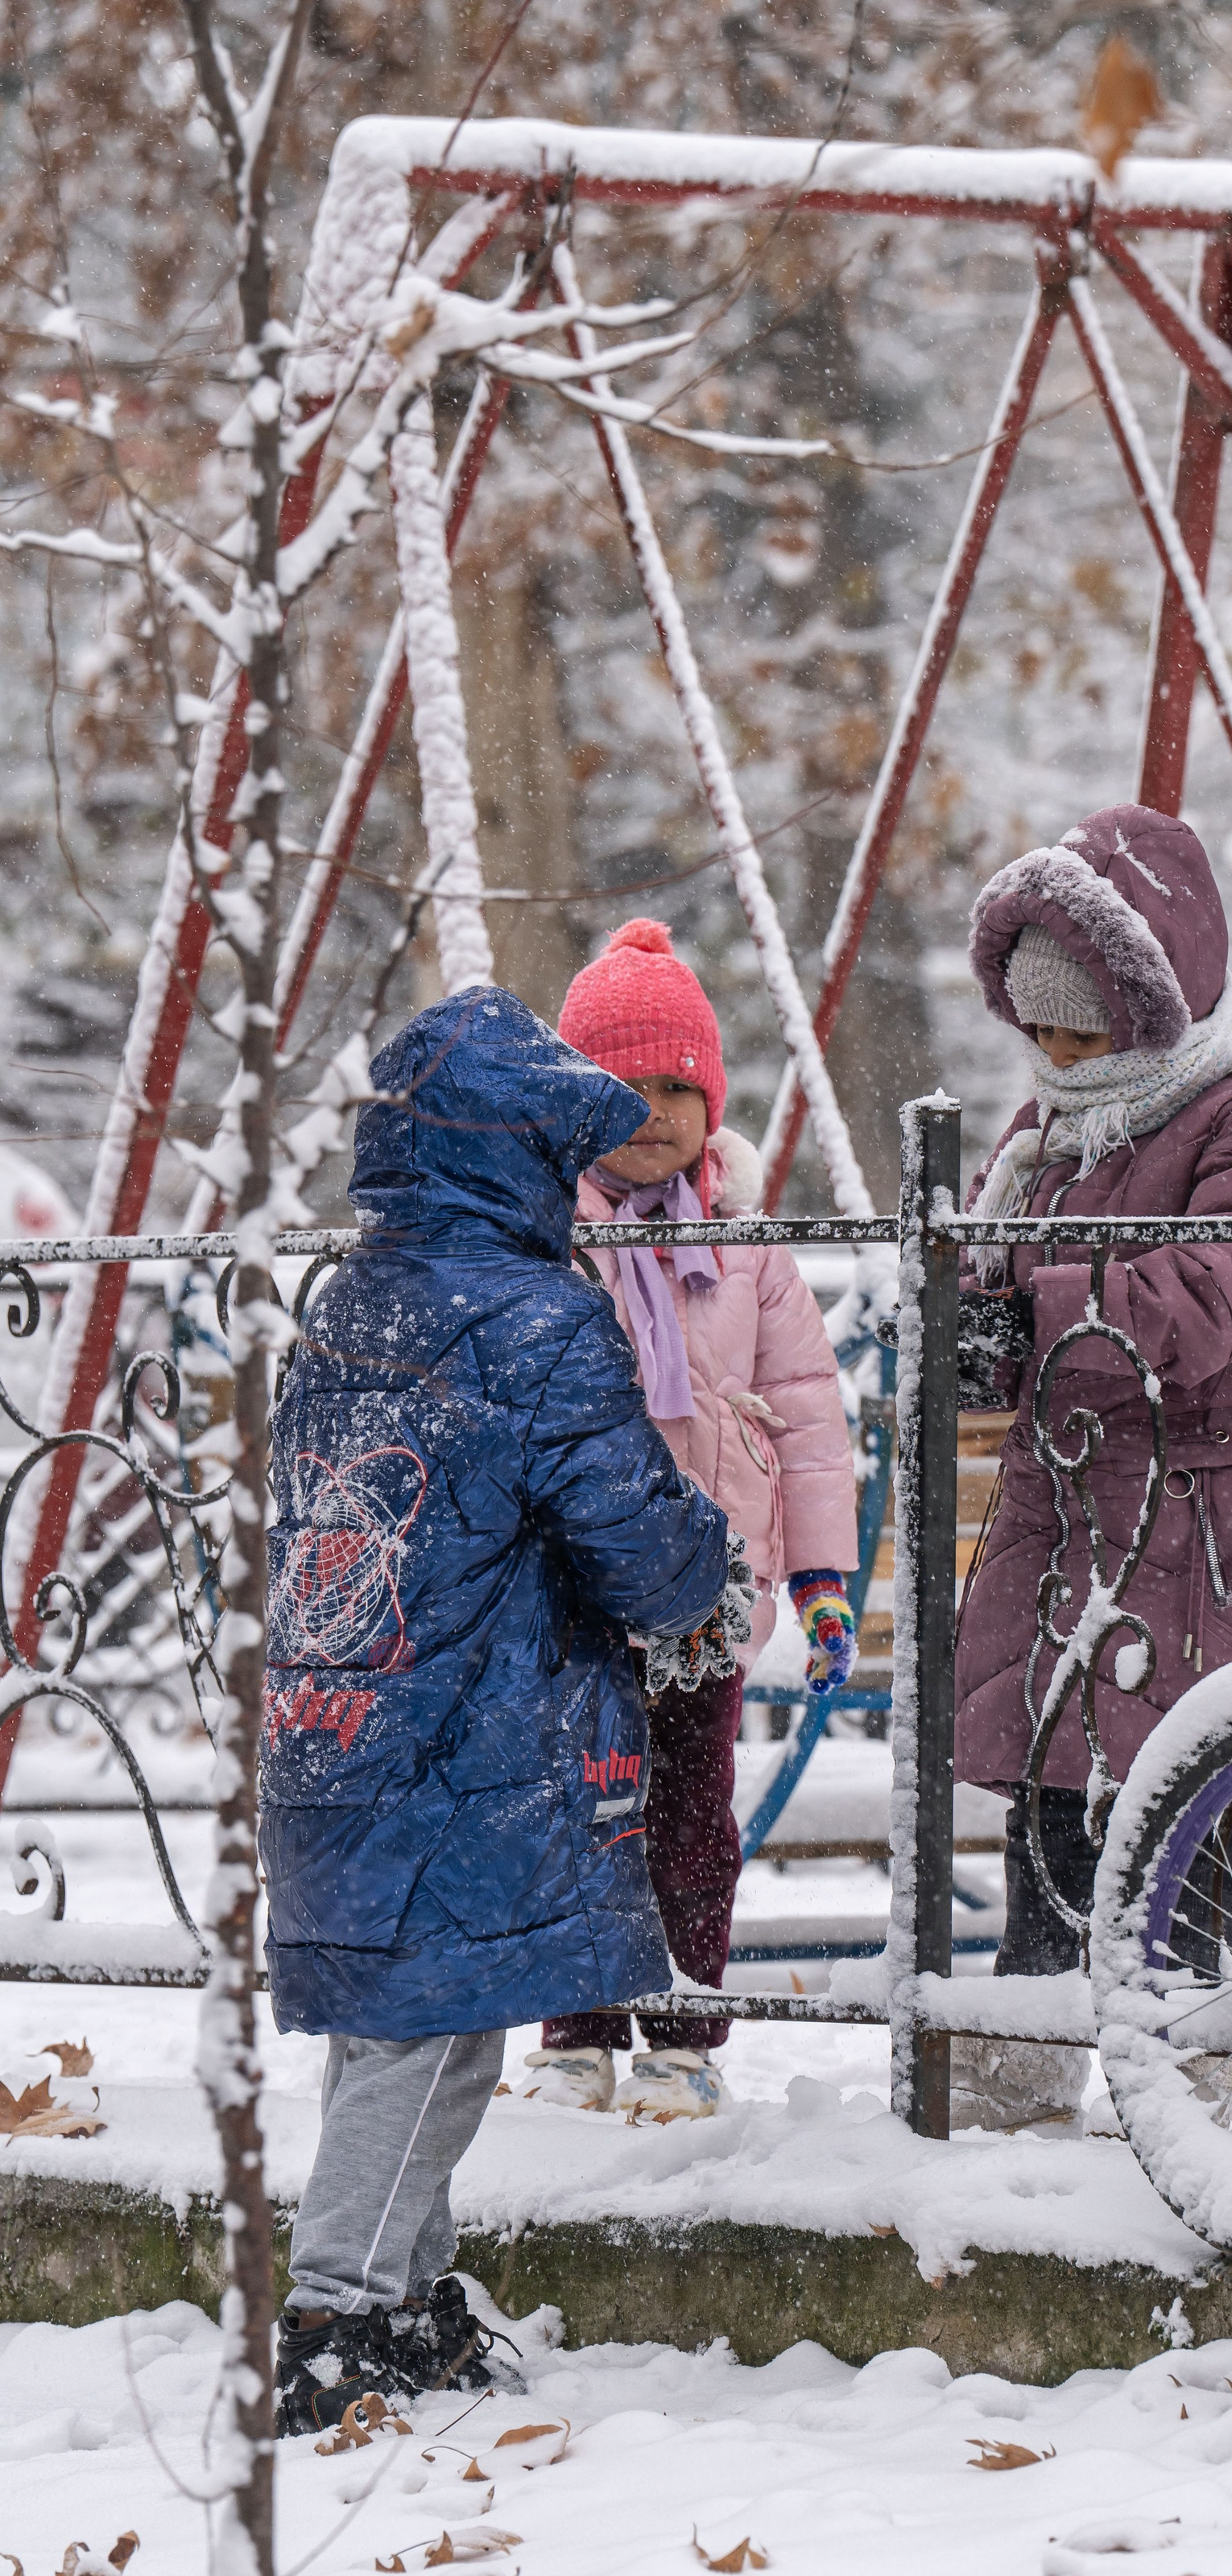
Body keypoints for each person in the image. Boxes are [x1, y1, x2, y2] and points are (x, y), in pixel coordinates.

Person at [263, 985, 737, 2437]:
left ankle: (408, 2290)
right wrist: (705, 1557)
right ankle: (336, 2312)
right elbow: (636, 1535)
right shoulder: (536, 1320)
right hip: (469, 1738)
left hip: (342, 1725)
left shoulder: (347, 1302)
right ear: (513, 1162)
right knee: (422, 2044)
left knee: (420, 2029)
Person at [952, 805, 1232, 2132]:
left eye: (1082, 1031)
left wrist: (1042, 1313)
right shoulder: (1039, 1144)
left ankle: (1210, 2107)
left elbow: (1220, 1293)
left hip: (1202, 1536)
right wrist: (974, 1329)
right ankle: (1015, 2095)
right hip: (1076, 1539)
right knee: (1057, 1816)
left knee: (1202, 1815)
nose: (1056, 1057)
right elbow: (1002, 1288)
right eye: (1038, 1031)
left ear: (1153, 1013)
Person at [518, 919, 860, 2120]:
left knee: (687, 1814)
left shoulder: (746, 1251)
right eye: (625, 1089)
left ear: (713, 1103)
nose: (656, 1113)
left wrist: (819, 1573)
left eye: (680, 1088)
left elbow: (811, 1420)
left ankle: (683, 2030)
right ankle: (575, 2029)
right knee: (580, 1805)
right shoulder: (546, 1238)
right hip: (576, 1590)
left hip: (710, 1590)